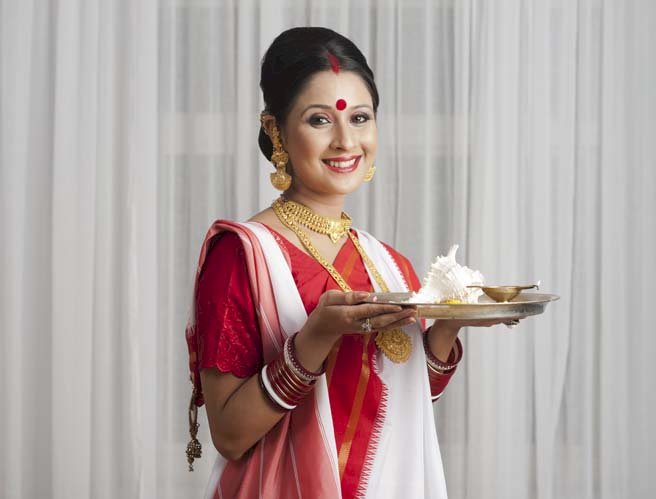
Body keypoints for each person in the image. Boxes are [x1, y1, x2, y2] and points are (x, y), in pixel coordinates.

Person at [184, 27, 517, 499]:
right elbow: (230, 436)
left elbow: (404, 402)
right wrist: (314, 338)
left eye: (360, 118)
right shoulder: (242, 256)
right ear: (276, 130)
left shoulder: (389, 264)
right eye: (320, 120)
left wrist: (447, 326)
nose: (346, 141)